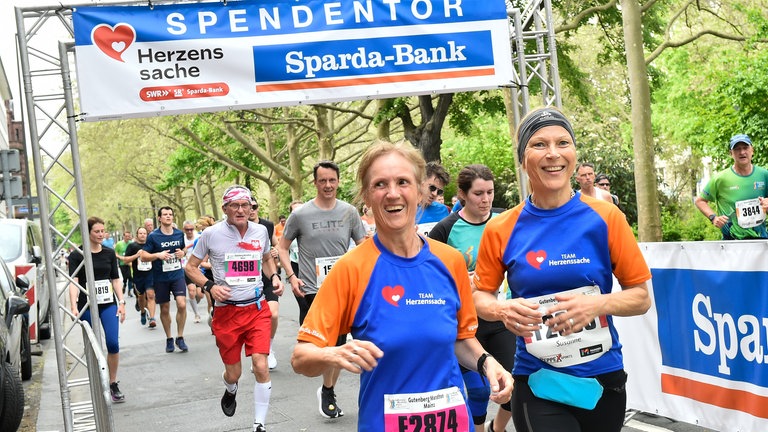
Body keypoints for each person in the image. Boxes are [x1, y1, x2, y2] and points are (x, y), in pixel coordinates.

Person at [291, 141, 513, 431]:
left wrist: (486, 362)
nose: (392, 193)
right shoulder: (351, 268)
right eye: (380, 184)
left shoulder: (450, 261)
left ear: (420, 190)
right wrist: (331, 353)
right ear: (367, 197)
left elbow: (460, 338)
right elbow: (300, 358)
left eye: (403, 182)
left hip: (452, 422)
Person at [472, 107, 652, 432]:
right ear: (523, 158)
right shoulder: (501, 228)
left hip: (602, 378)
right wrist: (501, 308)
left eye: (563, 143)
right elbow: (479, 297)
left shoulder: (607, 217)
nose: (553, 154)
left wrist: (598, 304)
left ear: (574, 153)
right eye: (539, 144)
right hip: (539, 380)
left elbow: (641, 298)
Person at [185, 186, 282, 432]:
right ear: (225, 208)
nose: (240, 210)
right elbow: (191, 267)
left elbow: (267, 258)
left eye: (245, 205)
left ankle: (259, 423)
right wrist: (210, 286)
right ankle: (230, 388)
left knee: (261, 364)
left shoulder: (260, 231)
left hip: (256, 308)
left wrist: (274, 278)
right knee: (234, 373)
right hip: (226, 312)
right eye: (235, 205)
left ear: (251, 208)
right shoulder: (210, 234)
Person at [428, 164, 514, 432]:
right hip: (463, 323)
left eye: (490, 192)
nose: (486, 199)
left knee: (514, 384)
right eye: (478, 193)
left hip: (500, 316)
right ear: (463, 195)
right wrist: (464, 281)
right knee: (477, 390)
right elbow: (430, 277)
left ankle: (495, 429)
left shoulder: (505, 220)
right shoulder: (445, 229)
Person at [277, 161, 366, 420]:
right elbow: (282, 247)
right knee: (320, 345)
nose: (328, 185)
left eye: (332, 180)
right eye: (322, 180)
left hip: (343, 288)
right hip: (312, 289)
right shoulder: (301, 215)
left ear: (338, 182)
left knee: (337, 344)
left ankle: (328, 390)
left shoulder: (349, 212)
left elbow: (362, 247)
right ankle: (325, 383)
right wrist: (291, 276)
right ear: (315, 183)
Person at [68, 216, 127, 403]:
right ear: (88, 233)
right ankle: (97, 383)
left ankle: (112, 382)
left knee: (112, 343)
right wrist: (72, 306)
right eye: (97, 231)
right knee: (94, 347)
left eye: (103, 231)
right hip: (86, 305)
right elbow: (74, 282)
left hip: (108, 303)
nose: (101, 234)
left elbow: (115, 279)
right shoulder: (77, 254)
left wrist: (122, 301)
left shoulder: (109, 253)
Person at [694, 134, 768, 240]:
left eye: (745, 148)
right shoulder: (720, 179)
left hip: (760, 241)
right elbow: (700, 201)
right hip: (732, 242)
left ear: (752, 150)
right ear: (731, 154)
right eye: (737, 149)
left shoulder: (764, 175)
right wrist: (713, 218)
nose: (742, 152)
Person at [140, 206, 190, 353]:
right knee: (165, 308)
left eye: (170, 214)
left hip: (177, 275)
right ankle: (169, 338)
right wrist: (158, 255)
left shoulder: (179, 234)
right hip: (160, 277)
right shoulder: (153, 236)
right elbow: (143, 256)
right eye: (165, 215)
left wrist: (183, 253)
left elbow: (184, 249)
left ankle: (180, 337)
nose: (168, 216)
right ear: (160, 218)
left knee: (181, 304)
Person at [249, 198, 281, 370]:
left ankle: (268, 347)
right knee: (255, 317)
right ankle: (258, 352)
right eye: (249, 206)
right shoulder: (239, 228)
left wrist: (276, 250)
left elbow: (277, 245)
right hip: (248, 280)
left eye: (255, 206)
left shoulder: (267, 226)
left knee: (273, 315)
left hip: (269, 275)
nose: (252, 210)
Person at [122, 227, 156, 327]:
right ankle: (142, 312)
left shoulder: (151, 245)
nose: (142, 235)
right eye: (140, 233)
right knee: (141, 297)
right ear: (137, 235)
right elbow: (125, 260)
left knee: (150, 295)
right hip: (138, 276)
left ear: (147, 235)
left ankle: (152, 318)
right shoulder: (132, 246)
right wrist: (137, 255)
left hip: (150, 274)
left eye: (144, 233)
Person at [415, 161, 451, 235]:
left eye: (439, 191)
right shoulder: (405, 209)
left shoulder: (443, 210)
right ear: (421, 182)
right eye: (432, 188)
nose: (435, 194)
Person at [181, 220, 203, 323]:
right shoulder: (181, 239)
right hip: (187, 268)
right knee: (191, 290)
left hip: (198, 268)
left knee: (200, 294)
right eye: (187, 229)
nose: (189, 231)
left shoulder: (199, 238)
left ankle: (194, 302)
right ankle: (197, 314)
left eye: (191, 229)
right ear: (183, 230)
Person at [114, 231, 134, 299]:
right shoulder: (119, 244)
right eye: (126, 236)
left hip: (130, 263)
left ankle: (129, 290)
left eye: (129, 236)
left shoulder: (131, 243)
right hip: (122, 263)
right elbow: (115, 254)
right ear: (123, 236)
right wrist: (121, 258)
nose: (128, 237)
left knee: (130, 277)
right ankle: (124, 284)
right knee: (125, 277)